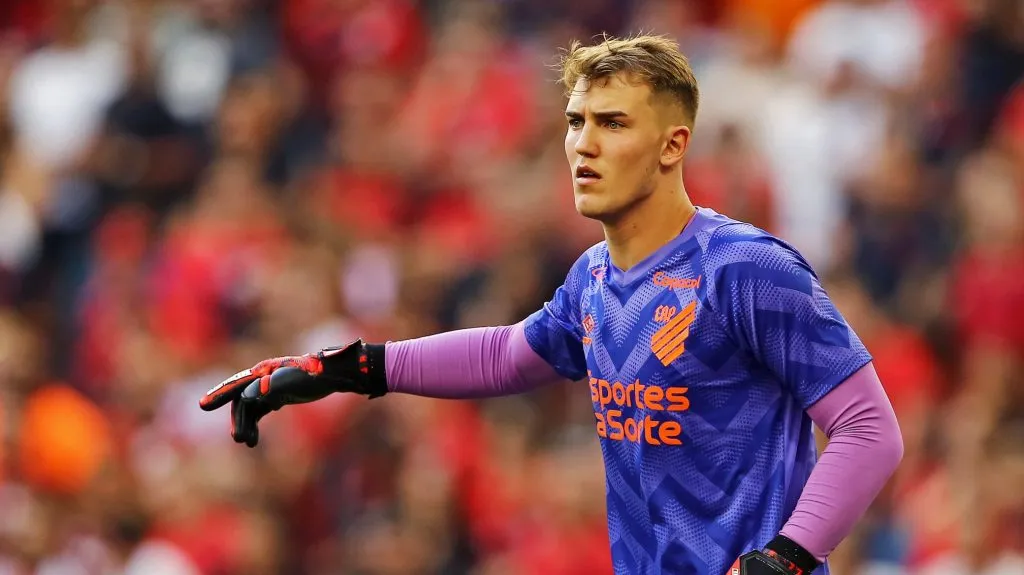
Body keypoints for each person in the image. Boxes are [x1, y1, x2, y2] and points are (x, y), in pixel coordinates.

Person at [199, 34, 903, 575]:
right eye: (576, 121)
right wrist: (342, 368)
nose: (583, 145)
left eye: (613, 123)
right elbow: (509, 354)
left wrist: (784, 558)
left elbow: (870, 429)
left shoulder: (745, 269)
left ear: (672, 145)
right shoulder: (594, 276)